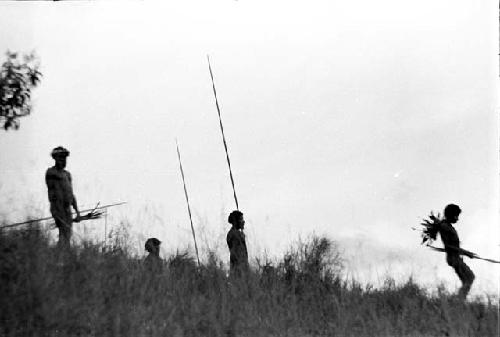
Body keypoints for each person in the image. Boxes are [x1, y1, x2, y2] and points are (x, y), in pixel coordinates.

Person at [45, 146, 81, 249]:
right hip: (58, 208)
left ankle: (62, 255)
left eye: (64, 157)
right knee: (64, 232)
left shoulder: (67, 175)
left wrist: (77, 212)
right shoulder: (51, 172)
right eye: (60, 157)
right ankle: (61, 255)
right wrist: (56, 211)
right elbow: (52, 193)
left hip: (67, 209)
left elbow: (71, 194)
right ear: (55, 158)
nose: (63, 160)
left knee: (67, 235)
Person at [438, 204, 475, 299]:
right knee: (469, 278)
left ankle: (458, 300)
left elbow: (452, 246)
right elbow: (448, 246)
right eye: (456, 216)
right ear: (450, 215)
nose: (457, 219)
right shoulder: (444, 226)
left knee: (467, 279)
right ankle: (458, 300)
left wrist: (464, 252)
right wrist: (466, 252)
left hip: (455, 257)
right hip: (453, 258)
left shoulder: (447, 226)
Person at [226, 210, 249, 277]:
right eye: (241, 219)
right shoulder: (234, 235)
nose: (243, 221)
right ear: (235, 221)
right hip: (239, 271)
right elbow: (237, 254)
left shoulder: (233, 233)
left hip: (238, 269)